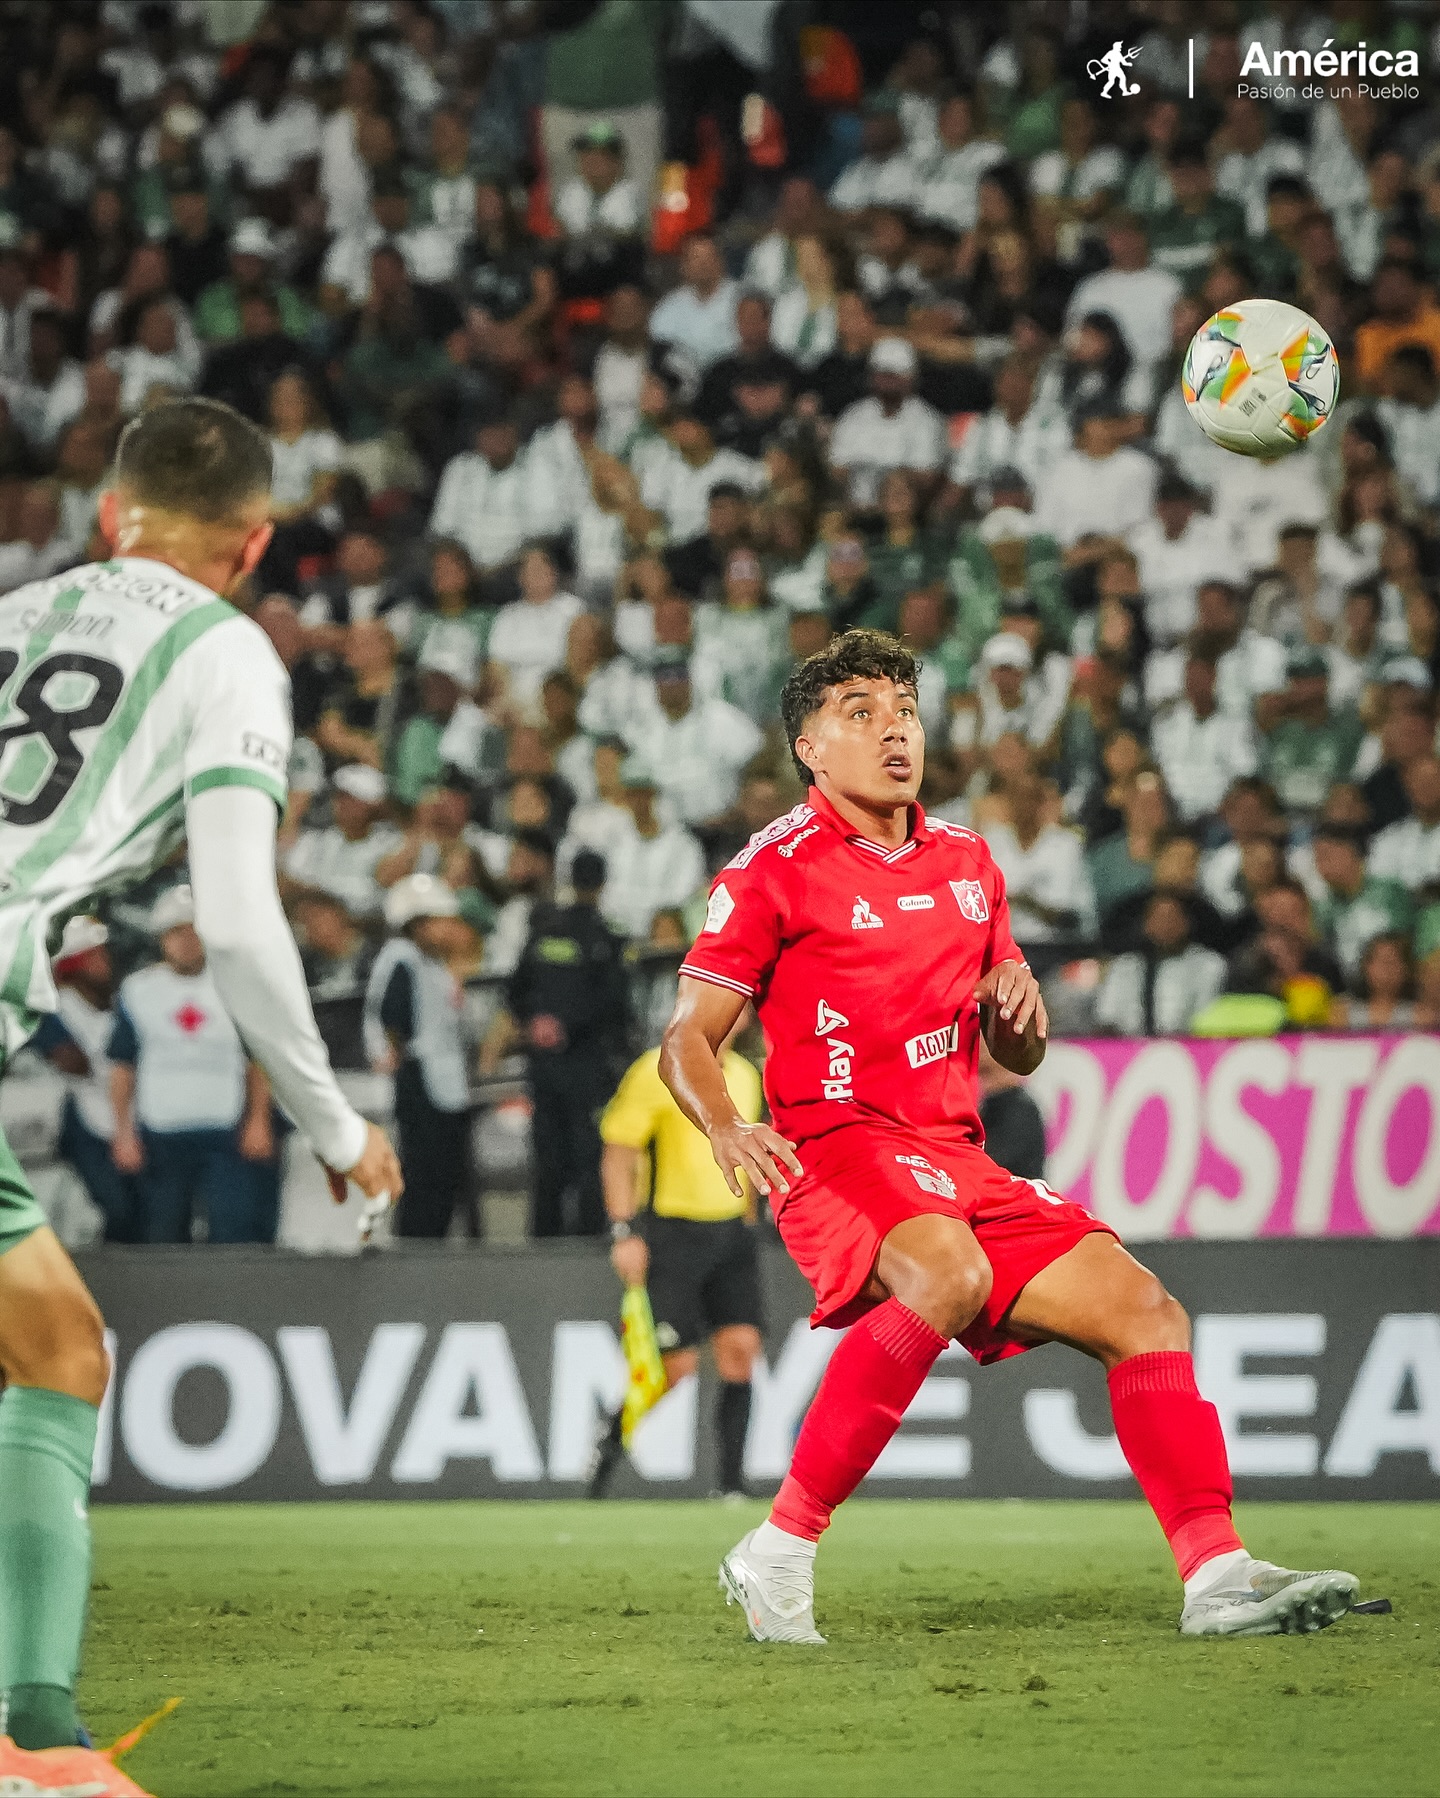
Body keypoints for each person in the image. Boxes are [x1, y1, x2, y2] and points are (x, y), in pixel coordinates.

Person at [660, 628, 1358, 1645]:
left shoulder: (968, 861)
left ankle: (1216, 1573)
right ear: (810, 746)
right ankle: (780, 1548)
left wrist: (1017, 1025)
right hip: (839, 1145)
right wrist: (725, 1123)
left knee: (1147, 1310)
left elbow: (1015, 1050)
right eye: (861, 713)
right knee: (945, 1273)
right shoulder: (772, 869)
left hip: (955, 1155)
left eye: (904, 709)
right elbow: (688, 1032)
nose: (894, 730)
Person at [0, 397, 399, 1776]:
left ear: (112, 516)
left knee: (57, 1344)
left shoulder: (14, 615)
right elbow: (236, 922)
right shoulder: (226, 654)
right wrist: (338, 1127)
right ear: (255, 545)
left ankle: (35, 1736)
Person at [591, 1009, 765, 1500]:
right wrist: (624, 1230)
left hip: (731, 1233)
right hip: (673, 1232)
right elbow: (618, 1151)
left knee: (741, 1352)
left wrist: (750, 1217)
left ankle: (730, 1485)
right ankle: (607, 1442)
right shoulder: (657, 1068)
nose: (729, 1024)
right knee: (674, 1368)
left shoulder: (745, 1075)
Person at [107, 885, 276, 1244]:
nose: (187, 941)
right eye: (176, 932)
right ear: (161, 938)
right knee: (164, 1234)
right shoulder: (139, 991)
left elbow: (257, 1061)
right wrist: (123, 1133)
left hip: (223, 1128)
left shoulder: (236, 986)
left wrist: (258, 1120)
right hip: (161, 1132)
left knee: (233, 1232)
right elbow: (123, 1069)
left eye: (194, 932)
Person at [485, 849, 630, 1238]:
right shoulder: (608, 937)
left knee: (547, 1152)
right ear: (601, 884)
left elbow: (515, 991)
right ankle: (588, 1237)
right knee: (587, 1153)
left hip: (543, 1064)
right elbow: (615, 1005)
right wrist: (570, 1026)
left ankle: (543, 1238)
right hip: (586, 1063)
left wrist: (539, 1023)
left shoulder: (545, 930)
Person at [365, 875, 479, 1240]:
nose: (449, 928)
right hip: (422, 1080)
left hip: (442, 1081)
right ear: (417, 924)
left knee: (444, 1176)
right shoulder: (403, 959)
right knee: (424, 1174)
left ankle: (435, 1243)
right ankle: (417, 1247)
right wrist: (396, 1055)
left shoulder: (431, 965)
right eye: (440, 921)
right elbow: (393, 1017)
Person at [29, 919, 142, 1244]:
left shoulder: (122, 1002)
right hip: (81, 1119)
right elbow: (74, 1063)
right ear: (74, 964)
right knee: (115, 1209)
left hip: (129, 1114)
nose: (104, 963)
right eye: (94, 957)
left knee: (139, 1213)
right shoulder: (51, 1008)